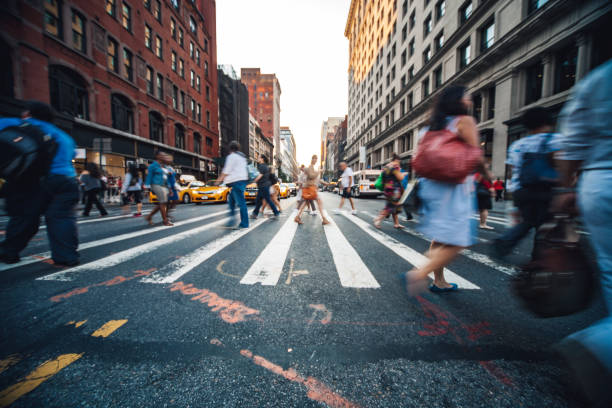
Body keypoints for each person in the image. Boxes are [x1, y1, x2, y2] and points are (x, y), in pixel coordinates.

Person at [552, 59, 612, 406]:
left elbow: (570, 145)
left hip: (598, 181)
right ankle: (601, 344)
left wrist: (566, 189)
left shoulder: (598, 79)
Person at [403, 85, 486, 293]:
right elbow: (476, 155)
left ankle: (439, 281)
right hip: (454, 187)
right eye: (467, 97)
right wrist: (489, 175)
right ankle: (419, 273)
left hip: (431, 187)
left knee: (439, 238)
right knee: (460, 240)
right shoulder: (465, 121)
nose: (470, 101)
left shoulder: (428, 128)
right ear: (457, 100)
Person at [0, 101, 79, 266]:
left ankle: (9, 252)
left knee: (24, 216)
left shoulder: (14, 124)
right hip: (66, 180)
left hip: (34, 180)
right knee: (61, 217)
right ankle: (66, 256)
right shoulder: (63, 136)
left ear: (27, 114)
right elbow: (71, 155)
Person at [493, 107, 561, 257]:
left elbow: (512, 172)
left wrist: (512, 193)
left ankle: (506, 240)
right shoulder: (556, 140)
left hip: (522, 191)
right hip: (547, 191)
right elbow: (562, 166)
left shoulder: (518, 145)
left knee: (528, 221)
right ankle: (537, 259)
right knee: (545, 226)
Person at [216, 141, 249, 229]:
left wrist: (218, 181)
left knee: (241, 203)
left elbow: (226, 171)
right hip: (241, 182)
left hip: (236, 182)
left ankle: (244, 224)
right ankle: (231, 222)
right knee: (231, 202)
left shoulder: (232, 157)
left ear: (230, 149)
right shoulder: (242, 157)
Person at [294, 155, 330, 225]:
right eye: (315, 159)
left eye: (316, 159)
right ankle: (324, 219)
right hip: (310, 188)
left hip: (310, 188)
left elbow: (315, 178)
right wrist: (319, 171)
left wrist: (325, 183)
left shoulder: (312, 167)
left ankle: (297, 217)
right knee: (319, 202)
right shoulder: (310, 167)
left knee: (305, 203)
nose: (316, 161)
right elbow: (311, 176)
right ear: (312, 159)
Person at [373, 153, 405, 229]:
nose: (399, 163)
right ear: (397, 160)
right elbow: (400, 178)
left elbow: (383, 179)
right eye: (399, 161)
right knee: (391, 206)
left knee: (394, 205)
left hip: (387, 189)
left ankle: (396, 223)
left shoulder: (386, 167)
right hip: (394, 190)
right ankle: (377, 219)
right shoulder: (395, 166)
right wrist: (403, 174)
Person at [145, 151, 173, 226]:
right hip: (156, 185)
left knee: (163, 203)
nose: (164, 156)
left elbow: (166, 178)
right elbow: (149, 177)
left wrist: (169, 188)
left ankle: (149, 216)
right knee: (162, 202)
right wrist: (147, 189)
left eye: (164, 155)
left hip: (164, 186)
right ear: (158, 156)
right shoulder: (152, 166)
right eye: (162, 155)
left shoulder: (164, 166)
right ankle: (165, 221)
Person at [251, 155, 280, 219]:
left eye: (259, 157)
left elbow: (260, 176)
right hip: (264, 186)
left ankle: (276, 212)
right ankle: (255, 214)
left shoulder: (262, 166)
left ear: (262, 159)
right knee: (259, 200)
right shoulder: (265, 166)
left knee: (266, 200)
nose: (257, 158)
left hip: (263, 186)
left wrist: (254, 181)